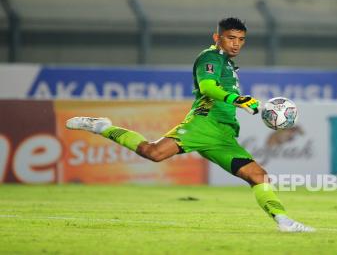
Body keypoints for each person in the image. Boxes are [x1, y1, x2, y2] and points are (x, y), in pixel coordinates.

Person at [66, 17, 314, 233]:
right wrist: (237, 99)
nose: (236, 43)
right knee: (152, 153)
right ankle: (102, 126)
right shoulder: (210, 57)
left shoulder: (227, 63)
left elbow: (226, 92)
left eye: (241, 39)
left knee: (258, 175)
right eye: (230, 38)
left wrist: (252, 106)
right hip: (203, 124)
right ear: (217, 37)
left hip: (223, 134)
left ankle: (284, 221)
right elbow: (207, 88)